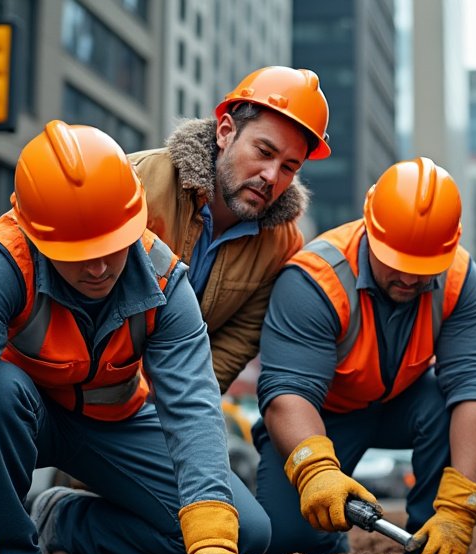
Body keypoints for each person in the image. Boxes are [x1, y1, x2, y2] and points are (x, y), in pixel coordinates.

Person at [0, 121, 274, 554]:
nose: (99, 268)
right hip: (22, 416)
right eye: (78, 254)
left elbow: (191, 404)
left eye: (110, 247)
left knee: (245, 532)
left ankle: (61, 521)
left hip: (114, 424)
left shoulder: (164, 279)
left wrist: (211, 536)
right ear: (37, 236)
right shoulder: (2, 258)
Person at [255, 157, 476, 554]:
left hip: (404, 407)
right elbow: (288, 392)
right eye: (396, 261)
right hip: (324, 416)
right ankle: (329, 543)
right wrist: (316, 471)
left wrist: (460, 511)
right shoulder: (316, 278)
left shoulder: (459, 278)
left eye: (422, 268)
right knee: (287, 539)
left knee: (447, 400)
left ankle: (430, 552)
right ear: (370, 227)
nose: (408, 278)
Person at [130, 66, 330, 392]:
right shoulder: (135, 183)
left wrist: (181, 403)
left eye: (289, 167)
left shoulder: (282, 244)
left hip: (166, 407)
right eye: (264, 152)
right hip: (89, 383)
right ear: (225, 132)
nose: (271, 176)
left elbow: (240, 338)